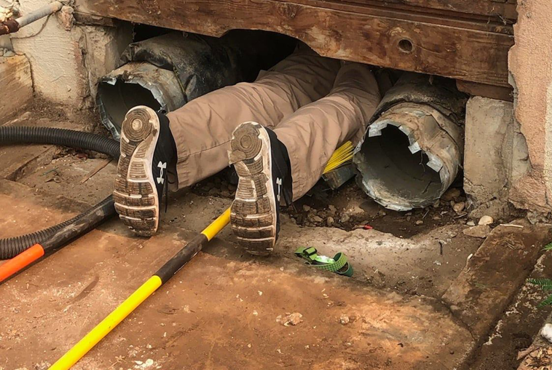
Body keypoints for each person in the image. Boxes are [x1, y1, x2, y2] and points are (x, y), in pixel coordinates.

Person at [113, 45, 380, 255]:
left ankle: (168, 134)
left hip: (323, 29)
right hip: (376, 41)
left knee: (274, 92)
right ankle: (280, 153)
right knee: (351, 99)